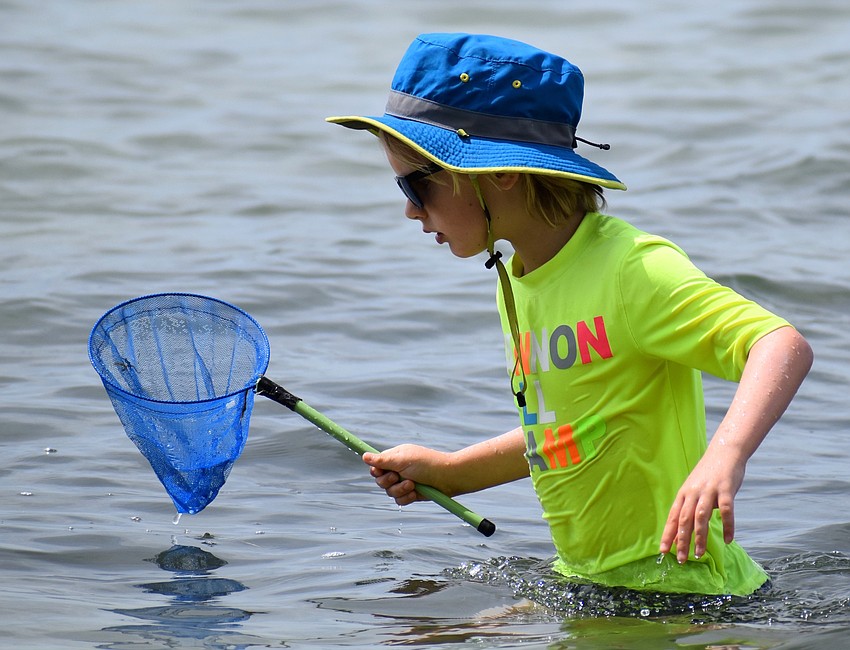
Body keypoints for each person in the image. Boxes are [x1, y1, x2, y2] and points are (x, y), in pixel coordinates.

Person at [327, 32, 813, 596]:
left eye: (416, 184)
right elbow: (572, 430)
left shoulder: (631, 269)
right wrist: (455, 473)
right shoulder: (520, 280)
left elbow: (779, 344)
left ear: (499, 172)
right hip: (591, 582)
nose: (410, 210)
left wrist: (723, 458)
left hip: (687, 595)